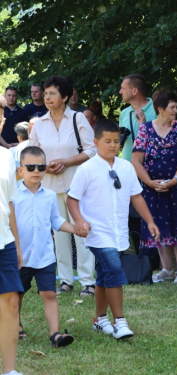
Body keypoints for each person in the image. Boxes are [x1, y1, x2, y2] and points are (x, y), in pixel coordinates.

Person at [67, 120, 160, 339]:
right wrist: (79, 221)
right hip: (97, 233)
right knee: (115, 272)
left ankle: (99, 319)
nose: (112, 145)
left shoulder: (126, 167)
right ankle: (120, 321)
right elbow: (72, 199)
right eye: (107, 141)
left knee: (104, 276)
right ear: (96, 142)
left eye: (116, 142)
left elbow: (135, 197)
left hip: (118, 232)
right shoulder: (86, 169)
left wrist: (150, 221)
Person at [29, 75, 97, 296]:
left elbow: (92, 150)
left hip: (77, 186)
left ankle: (88, 281)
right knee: (59, 235)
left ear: (65, 97)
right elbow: (32, 154)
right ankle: (66, 280)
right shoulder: (39, 123)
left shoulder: (78, 119)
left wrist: (67, 162)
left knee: (81, 231)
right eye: (46, 93)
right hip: (50, 186)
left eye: (52, 93)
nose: (47, 97)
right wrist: (45, 166)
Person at [15, 146, 88, 347]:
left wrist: (75, 229)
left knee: (48, 293)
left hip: (45, 256)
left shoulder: (49, 195)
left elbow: (56, 220)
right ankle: (16, 325)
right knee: (16, 294)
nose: (36, 171)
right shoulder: (13, 195)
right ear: (20, 170)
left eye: (41, 166)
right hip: (20, 257)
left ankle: (55, 334)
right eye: (30, 167)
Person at [132, 89, 177, 285]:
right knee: (158, 225)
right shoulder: (145, 129)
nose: (176, 110)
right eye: (172, 107)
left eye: (176, 107)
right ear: (160, 109)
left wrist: (175, 180)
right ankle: (167, 269)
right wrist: (150, 182)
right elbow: (136, 160)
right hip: (152, 188)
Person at [118, 74, 157, 252]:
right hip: (128, 171)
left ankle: (154, 255)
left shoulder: (156, 109)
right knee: (131, 214)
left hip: (151, 171)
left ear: (134, 90)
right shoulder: (125, 113)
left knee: (151, 212)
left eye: (122, 88)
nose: (120, 92)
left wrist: (144, 125)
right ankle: (140, 253)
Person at [0, 93, 24, 375]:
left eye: (1, 115)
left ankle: (9, 370)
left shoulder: (7, 156)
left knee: (10, 301)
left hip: (4, 240)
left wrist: (16, 243)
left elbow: (9, 203)